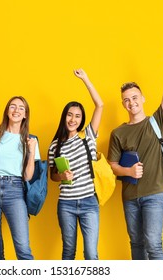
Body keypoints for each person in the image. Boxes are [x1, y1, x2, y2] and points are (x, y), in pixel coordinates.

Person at [107, 40, 163, 260]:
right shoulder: (118, 133)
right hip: (130, 197)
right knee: (137, 245)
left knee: (154, 244)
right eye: (126, 100)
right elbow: (113, 166)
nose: (131, 103)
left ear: (142, 99)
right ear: (123, 105)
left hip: (154, 194)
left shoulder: (157, 122)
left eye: (134, 98)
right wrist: (128, 172)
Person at [0, 96, 40, 260]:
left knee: (23, 249)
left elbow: (27, 176)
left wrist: (31, 152)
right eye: (12, 106)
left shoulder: (30, 141)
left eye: (21, 108)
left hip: (15, 190)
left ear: (25, 114)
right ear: (7, 111)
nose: (16, 110)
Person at [48, 69, 103, 260]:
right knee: (68, 252)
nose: (73, 119)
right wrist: (61, 177)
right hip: (66, 204)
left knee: (91, 253)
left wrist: (85, 79)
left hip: (89, 202)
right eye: (70, 115)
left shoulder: (88, 136)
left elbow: (100, 105)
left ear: (82, 120)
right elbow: (52, 175)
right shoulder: (55, 145)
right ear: (64, 117)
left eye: (77, 116)